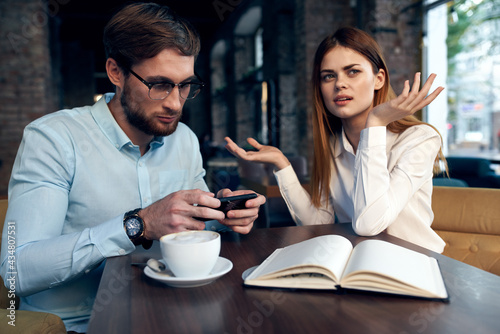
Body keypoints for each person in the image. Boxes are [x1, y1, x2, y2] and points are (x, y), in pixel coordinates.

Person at [0, 3, 265, 333]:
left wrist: (221, 214)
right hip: (76, 325)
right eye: (160, 84)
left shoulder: (183, 139)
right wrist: (137, 225)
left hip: (173, 313)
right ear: (115, 72)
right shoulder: (53, 138)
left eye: (186, 86)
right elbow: (16, 270)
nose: (175, 102)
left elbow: (188, 233)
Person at [225, 27, 446, 253]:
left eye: (352, 72)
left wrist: (375, 124)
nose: (339, 84)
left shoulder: (419, 139)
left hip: (414, 267)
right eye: (328, 76)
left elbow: (370, 223)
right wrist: (282, 164)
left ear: (379, 79)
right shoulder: (333, 145)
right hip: (360, 264)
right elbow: (320, 223)